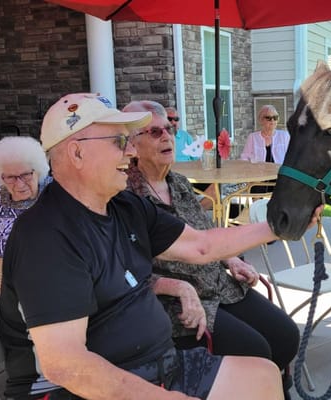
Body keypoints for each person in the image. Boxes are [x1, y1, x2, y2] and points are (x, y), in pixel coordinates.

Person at [0, 93, 321, 400]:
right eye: (119, 141)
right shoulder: (46, 237)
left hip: (157, 366)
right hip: (82, 389)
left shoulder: (123, 206)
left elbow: (202, 246)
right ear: (77, 152)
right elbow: (66, 366)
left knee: (262, 375)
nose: (131, 152)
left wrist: (278, 226)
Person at [123, 100, 299, 398]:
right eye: (154, 132)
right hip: (177, 302)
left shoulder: (177, 182)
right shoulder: (126, 196)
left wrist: (232, 260)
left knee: (286, 336)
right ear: (131, 144)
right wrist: (176, 286)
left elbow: (204, 230)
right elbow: (125, 271)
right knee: (255, 350)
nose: (167, 136)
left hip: (217, 282)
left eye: (168, 128)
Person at [0, 136, 51, 257]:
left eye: (26, 175)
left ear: (38, 171)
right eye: (10, 177)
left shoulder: (55, 194)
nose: (19, 184)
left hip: (41, 270)